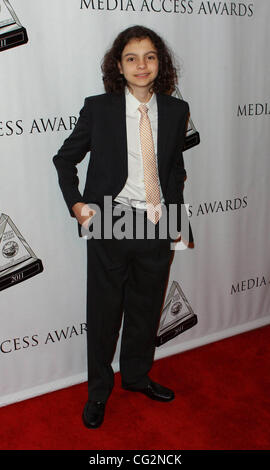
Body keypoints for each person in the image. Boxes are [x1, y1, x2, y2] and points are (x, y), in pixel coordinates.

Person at [53, 25, 191, 429]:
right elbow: (65, 160)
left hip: (157, 221)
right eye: (131, 58)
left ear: (160, 63)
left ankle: (135, 376)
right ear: (119, 65)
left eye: (150, 56)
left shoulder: (176, 110)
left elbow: (175, 171)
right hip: (110, 220)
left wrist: (177, 220)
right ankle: (98, 391)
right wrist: (77, 205)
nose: (141, 65)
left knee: (146, 308)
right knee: (104, 312)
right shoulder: (99, 108)